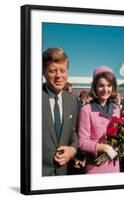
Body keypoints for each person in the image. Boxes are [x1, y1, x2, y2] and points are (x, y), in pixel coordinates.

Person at [42, 48, 78, 176]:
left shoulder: (72, 100)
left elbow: (73, 132)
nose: (58, 75)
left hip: (62, 173)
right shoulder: (30, 97)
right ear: (43, 72)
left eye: (62, 70)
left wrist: (72, 149)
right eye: (52, 71)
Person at [78, 66, 120, 174]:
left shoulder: (116, 109)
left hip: (114, 165)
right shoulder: (86, 110)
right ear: (95, 87)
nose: (106, 89)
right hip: (95, 166)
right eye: (101, 85)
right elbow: (82, 142)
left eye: (109, 85)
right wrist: (103, 147)